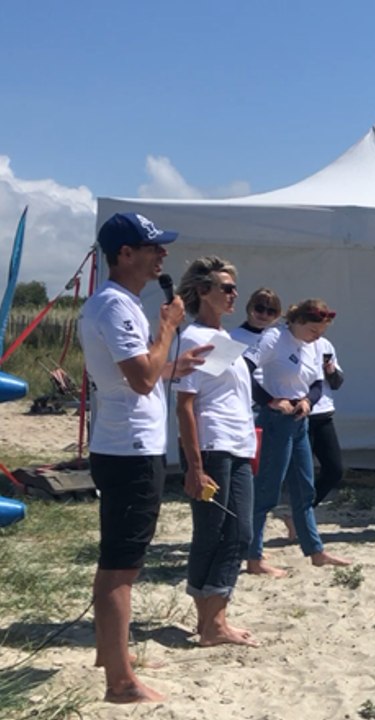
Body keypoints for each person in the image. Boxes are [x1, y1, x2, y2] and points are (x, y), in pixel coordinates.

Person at [78, 212, 210, 703]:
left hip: (127, 443)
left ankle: (111, 655)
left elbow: (136, 375)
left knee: (119, 559)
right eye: (153, 246)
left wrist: (173, 361)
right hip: (129, 448)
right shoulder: (115, 306)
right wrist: (168, 329)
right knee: (121, 566)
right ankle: (121, 682)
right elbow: (139, 379)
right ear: (124, 254)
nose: (163, 254)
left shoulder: (118, 303)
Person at [173, 256, 257, 648]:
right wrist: (194, 465)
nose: (233, 294)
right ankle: (213, 622)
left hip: (236, 445)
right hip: (213, 446)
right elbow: (185, 404)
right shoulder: (195, 339)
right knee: (224, 532)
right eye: (225, 288)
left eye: (233, 287)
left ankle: (210, 620)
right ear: (202, 292)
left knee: (230, 532)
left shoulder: (223, 339)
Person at [248, 299, 350, 574]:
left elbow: (318, 382)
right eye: (314, 330)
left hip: (299, 418)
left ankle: (315, 550)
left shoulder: (315, 345)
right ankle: (254, 557)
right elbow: (244, 370)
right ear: (298, 321)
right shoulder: (274, 338)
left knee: (305, 488)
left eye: (321, 332)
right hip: (276, 420)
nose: (318, 337)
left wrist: (308, 400)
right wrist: (269, 400)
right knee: (268, 490)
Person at [309, 334, 345, 506]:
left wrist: (331, 371)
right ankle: (300, 518)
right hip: (299, 415)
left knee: (334, 469)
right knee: (302, 472)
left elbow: (337, 383)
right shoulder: (285, 342)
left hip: (323, 413)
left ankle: (305, 509)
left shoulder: (325, 344)